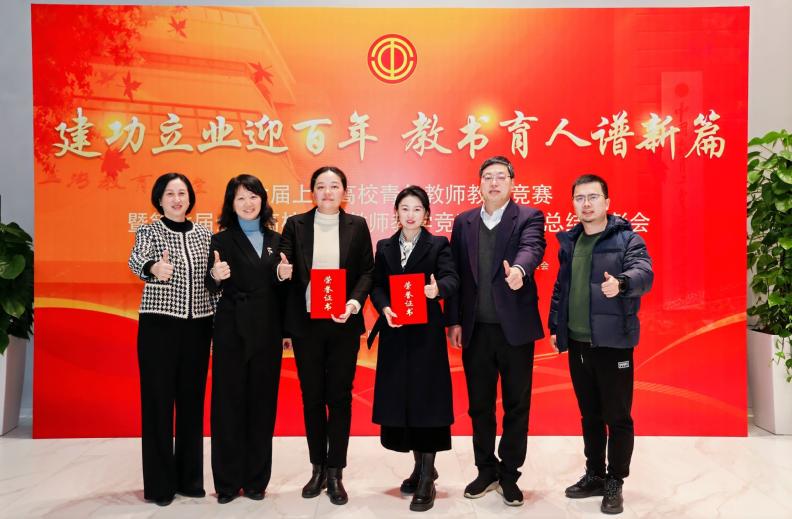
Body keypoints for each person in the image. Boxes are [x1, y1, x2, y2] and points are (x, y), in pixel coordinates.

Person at [548, 174, 653, 515]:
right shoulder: (572, 241)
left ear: (607, 202)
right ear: (573, 204)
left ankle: (615, 481)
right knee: (590, 414)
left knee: (617, 416)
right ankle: (594, 474)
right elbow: (561, 289)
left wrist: (621, 283)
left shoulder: (627, 239)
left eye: (593, 197)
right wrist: (556, 326)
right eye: (580, 198)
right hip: (578, 343)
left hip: (613, 343)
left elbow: (644, 273)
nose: (587, 203)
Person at [444, 155, 546, 507]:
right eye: (487, 177)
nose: (494, 182)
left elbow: (532, 248)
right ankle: (485, 469)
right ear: (479, 183)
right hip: (476, 330)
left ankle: (510, 474)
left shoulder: (528, 217)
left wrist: (519, 270)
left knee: (517, 405)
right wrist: (453, 320)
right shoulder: (464, 222)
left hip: (514, 330)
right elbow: (455, 273)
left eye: (501, 176)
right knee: (480, 406)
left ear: (512, 182)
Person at [277, 166, 374, 505]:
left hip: (343, 322)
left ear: (344, 191)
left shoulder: (357, 225)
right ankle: (317, 467)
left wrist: (353, 303)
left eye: (334, 186)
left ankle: (336, 472)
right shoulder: (296, 225)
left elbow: (367, 272)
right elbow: (283, 265)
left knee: (340, 397)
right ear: (312, 192)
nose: (328, 192)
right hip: (307, 324)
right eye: (321, 186)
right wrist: (281, 271)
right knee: (313, 397)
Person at [367, 186, 460, 512]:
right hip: (395, 334)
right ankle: (421, 467)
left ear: (426, 214)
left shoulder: (438, 244)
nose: (410, 214)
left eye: (417, 209)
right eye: (405, 208)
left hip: (425, 338)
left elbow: (452, 278)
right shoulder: (385, 246)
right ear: (396, 213)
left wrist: (437, 290)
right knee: (404, 401)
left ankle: (427, 479)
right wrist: (384, 308)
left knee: (427, 401)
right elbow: (377, 285)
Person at [128, 172, 214, 506]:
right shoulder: (149, 231)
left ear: (190, 198)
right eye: (170, 194)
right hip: (159, 327)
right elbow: (136, 259)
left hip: (198, 327)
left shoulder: (205, 234)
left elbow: (213, 280)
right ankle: (160, 485)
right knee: (158, 403)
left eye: (182, 193)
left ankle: (190, 480)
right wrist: (153, 268)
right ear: (159, 200)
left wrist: (217, 279)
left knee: (192, 404)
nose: (177, 199)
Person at [206, 174, 289, 504]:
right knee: (227, 406)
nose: (248, 203)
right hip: (231, 330)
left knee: (262, 405)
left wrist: (283, 277)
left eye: (253, 196)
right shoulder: (220, 240)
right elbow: (209, 284)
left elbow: (284, 290)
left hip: (267, 331)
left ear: (263, 200)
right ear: (231, 203)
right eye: (240, 198)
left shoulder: (277, 240)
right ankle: (227, 483)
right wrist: (215, 276)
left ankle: (256, 481)